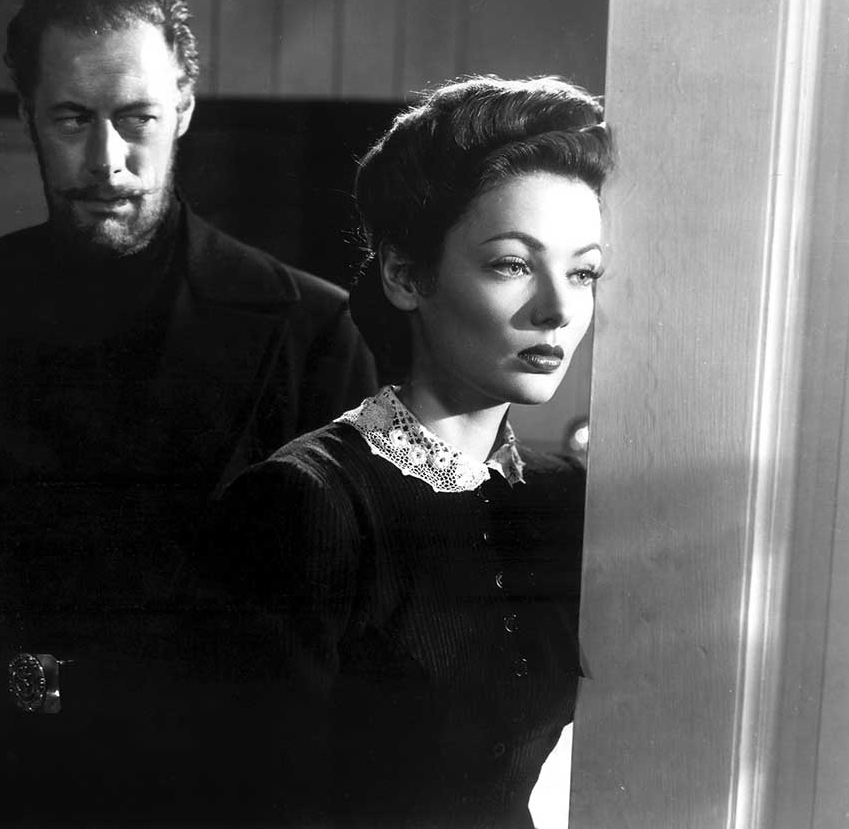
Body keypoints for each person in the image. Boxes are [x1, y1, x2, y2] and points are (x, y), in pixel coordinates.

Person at [0, 0, 374, 827]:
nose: (107, 161)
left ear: (184, 110)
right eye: (72, 119)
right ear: (26, 115)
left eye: (136, 119)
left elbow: (339, 654)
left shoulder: (309, 326)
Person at [204, 75, 613, 829]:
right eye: (512, 264)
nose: (558, 308)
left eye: (583, 271)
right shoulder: (307, 503)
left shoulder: (564, 501)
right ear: (404, 274)